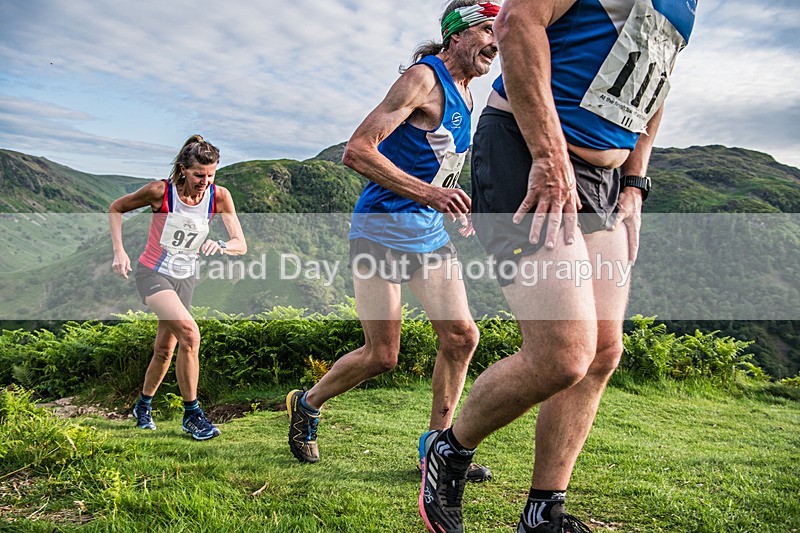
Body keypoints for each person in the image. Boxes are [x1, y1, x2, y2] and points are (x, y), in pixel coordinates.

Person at [419, 0, 696, 531]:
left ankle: (544, 511)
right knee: (563, 354)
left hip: (606, 180)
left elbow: (657, 82)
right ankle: (449, 451)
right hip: (529, 151)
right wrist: (548, 157)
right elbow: (516, 21)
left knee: (603, 353)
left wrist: (635, 182)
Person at [285, 1, 500, 482]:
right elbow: (357, 150)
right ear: (456, 36)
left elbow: (441, 164)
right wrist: (430, 193)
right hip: (380, 228)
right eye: (487, 30)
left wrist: (454, 205)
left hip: (427, 232)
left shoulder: (467, 93)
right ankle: (308, 403)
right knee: (382, 355)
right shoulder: (424, 79)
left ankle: (437, 449)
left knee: (462, 337)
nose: (497, 42)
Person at [109, 135, 247, 441]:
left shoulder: (219, 196)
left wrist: (222, 244)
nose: (205, 181)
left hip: (186, 277)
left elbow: (241, 243)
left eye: (211, 175)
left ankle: (142, 406)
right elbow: (116, 208)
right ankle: (192, 414)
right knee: (190, 334)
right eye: (199, 174)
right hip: (153, 273)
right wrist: (119, 251)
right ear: (183, 169)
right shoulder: (160, 192)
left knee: (165, 348)